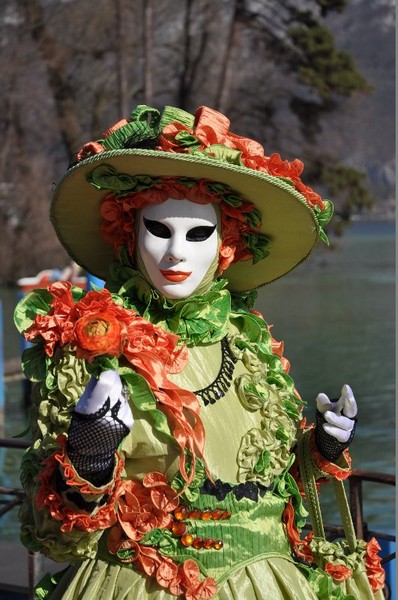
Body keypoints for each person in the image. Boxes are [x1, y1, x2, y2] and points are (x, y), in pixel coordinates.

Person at [14, 105, 385, 599]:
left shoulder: (247, 341)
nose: (176, 255)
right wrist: (89, 456)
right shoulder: (93, 346)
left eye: (198, 233)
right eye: (159, 230)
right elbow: (53, 535)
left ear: (225, 242)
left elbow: (267, 484)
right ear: (129, 231)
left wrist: (321, 450)